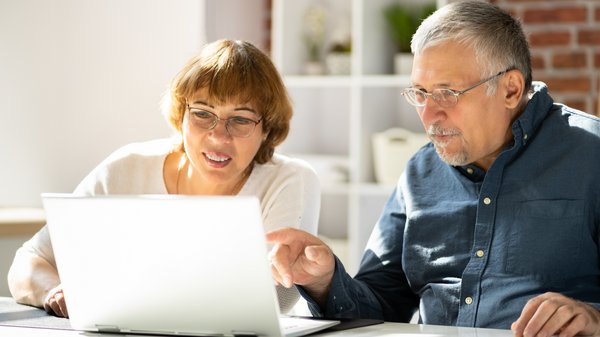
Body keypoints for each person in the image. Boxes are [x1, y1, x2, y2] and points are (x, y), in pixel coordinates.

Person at [266, 2, 600, 337]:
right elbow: (379, 308)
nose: (428, 115)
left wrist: (592, 318)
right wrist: (324, 281)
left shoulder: (591, 155)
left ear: (510, 89)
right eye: (420, 93)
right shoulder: (419, 172)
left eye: (446, 93)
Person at [8, 39, 320, 318]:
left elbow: (278, 299)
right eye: (202, 113)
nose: (217, 136)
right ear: (181, 115)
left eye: (240, 120)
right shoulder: (125, 169)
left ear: (267, 130)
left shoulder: (289, 180)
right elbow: (29, 261)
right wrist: (56, 292)